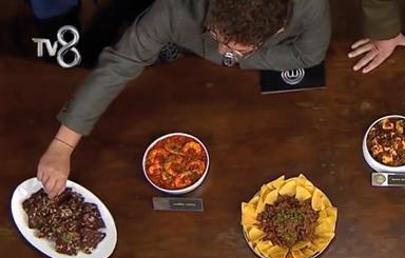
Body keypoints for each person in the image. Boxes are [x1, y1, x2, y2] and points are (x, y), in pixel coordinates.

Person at [36, 0, 331, 197]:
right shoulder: (174, 8)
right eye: (218, 38)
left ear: (279, 30)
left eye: (238, 49)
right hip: (176, 40)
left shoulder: (310, 6)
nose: (223, 53)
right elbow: (121, 62)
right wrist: (62, 145)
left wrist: (239, 60)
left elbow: (308, 54)